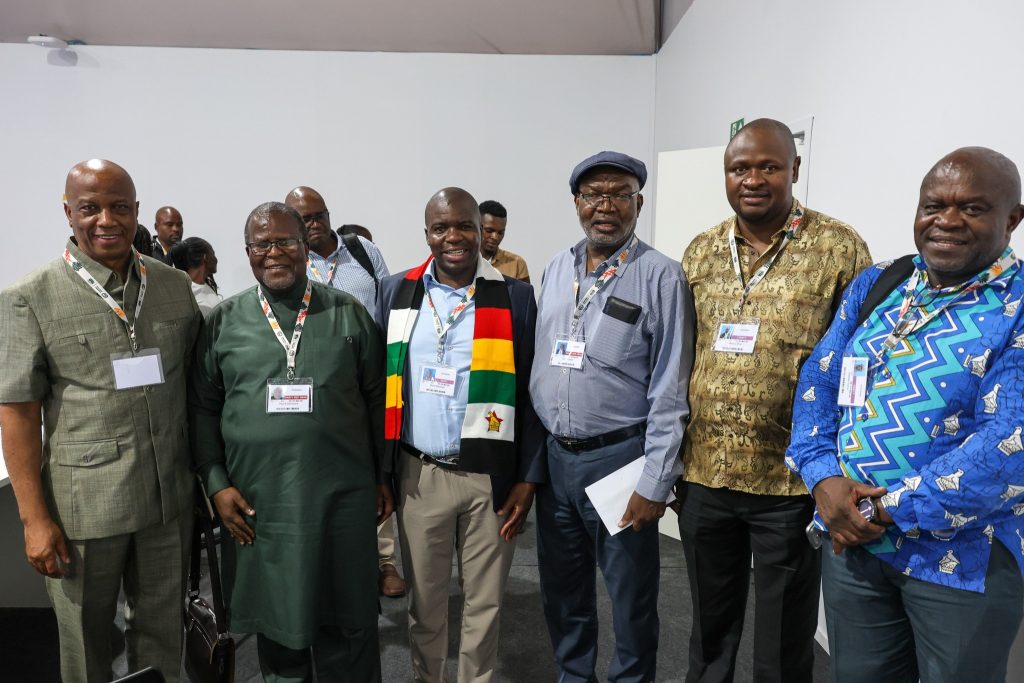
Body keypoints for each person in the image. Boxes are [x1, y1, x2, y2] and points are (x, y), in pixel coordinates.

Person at [787, 146, 1024, 683]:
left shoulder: (1017, 304)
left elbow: (1009, 444)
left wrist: (878, 510)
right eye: (933, 205)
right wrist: (822, 477)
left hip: (960, 562)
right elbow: (820, 380)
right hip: (855, 547)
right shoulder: (882, 282)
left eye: (972, 208)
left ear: (1012, 219)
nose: (947, 220)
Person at [678, 118, 872, 683]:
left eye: (768, 166)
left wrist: (842, 463)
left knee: (784, 641)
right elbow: (681, 355)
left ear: (795, 169)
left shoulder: (839, 247)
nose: (753, 179)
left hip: (790, 482)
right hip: (706, 475)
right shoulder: (701, 250)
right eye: (740, 168)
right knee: (708, 630)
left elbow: (858, 361)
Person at [0, 159, 201, 682]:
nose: (106, 220)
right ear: (68, 212)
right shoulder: (30, 297)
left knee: (163, 639)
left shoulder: (172, 286)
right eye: (90, 208)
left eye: (119, 207)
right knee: (85, 645)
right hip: (84, 512)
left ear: (136, 211)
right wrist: (34, 520)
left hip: (167, 502)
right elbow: (18, 412)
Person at [190, 201, 390, 682]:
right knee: (279, 634)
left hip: (342, 501)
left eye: (286, 241)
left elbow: (380, 400)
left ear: (305, 247)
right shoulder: (225, 322)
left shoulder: (347, 314)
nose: (274, 252)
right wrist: (216, 483)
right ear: (247, 252)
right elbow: (201, 408)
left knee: (349, 627)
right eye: (262, 244)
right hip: (259, 506)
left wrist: (383, 477)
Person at [530, 151, 693, 682]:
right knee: (563, 593)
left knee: (631, 601)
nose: (606, 206)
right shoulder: (557, 267)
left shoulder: (661, 276)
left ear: (638, 204)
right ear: (576, 202)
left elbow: (670, 387)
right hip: (557, 461)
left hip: (620, 460)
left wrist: (655, 480)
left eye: (620, 194)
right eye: (593, 195)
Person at [375, 187, 544, 683]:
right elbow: (378, 388)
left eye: (464, 225)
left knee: (484, 605)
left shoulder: (514, 297)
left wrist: (527, 479)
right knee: (425, 605)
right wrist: (381, 473)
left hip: (490, 477)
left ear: (480, 230)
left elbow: (532, 395)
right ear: (427, 234)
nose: (454, 236)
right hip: (419, 474)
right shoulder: (395, 291)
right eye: (441, 227)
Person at [283, 186, 405, 597]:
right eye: (303, 219)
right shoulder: (291, 260)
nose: (313, 224)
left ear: (328, 214)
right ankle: (335, 565)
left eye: (318, 215)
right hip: (316, 384)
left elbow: (388, 305)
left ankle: (385, 562)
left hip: (369, 378)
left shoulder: (363, 252)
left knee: (375, 465)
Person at [168, 236, 222, 318]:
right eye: (213, 254)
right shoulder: (186, 291)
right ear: (205, 257)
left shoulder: (205, 286)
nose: (216, 259)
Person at [478, 200, 530, 283]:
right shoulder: (462, 261)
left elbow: (525, 291)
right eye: (489, 231)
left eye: (500, 232)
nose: (495, 237)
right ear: (476, 226)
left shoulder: (517, 263)